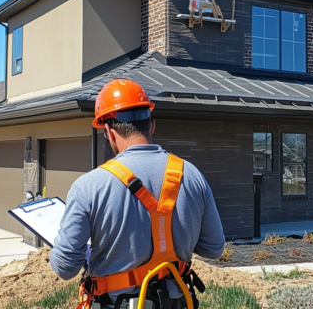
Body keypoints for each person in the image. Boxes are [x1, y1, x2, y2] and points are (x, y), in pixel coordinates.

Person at [50, 79, 225, 309]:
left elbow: (65, 268)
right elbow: (213, 248)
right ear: (151, 125)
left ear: (109, 132)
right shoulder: (192, 176)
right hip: (178, 303)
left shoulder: (88, 187)